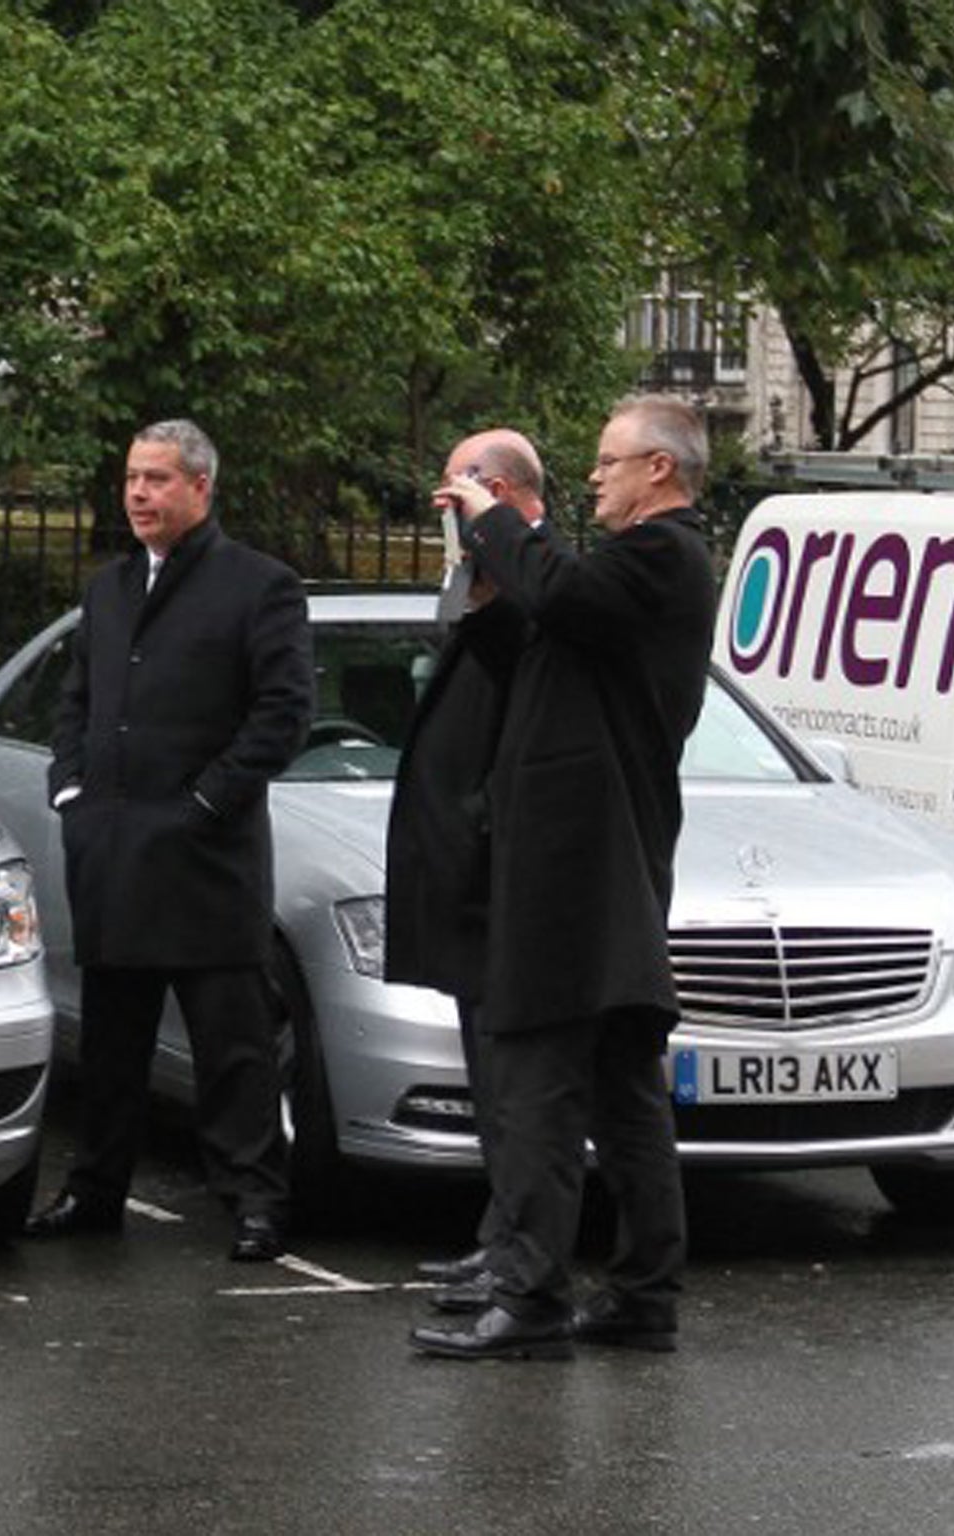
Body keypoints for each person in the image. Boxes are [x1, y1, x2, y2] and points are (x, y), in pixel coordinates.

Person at [408, 396, 717, 1360]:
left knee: (539, 1078)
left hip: (582, 865)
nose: (596, 478)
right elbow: (545, 653)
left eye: (609, 463)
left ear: (659, 471)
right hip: (596, 862)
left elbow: (571, 601)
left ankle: (533, 1295)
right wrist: (493, 584)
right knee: (624, 1086)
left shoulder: (664, 556)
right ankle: (641, 1291)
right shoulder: (625, 574)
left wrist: (502, 518)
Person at [22, 419, 315, 1262]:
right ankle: (95, 1191)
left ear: (200, 488)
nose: (139, 494)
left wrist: (204, 804)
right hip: (112, 853)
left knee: (233, 1048)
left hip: (204, 860)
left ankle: (255, 1200)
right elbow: (75, 703)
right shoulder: (108, 590)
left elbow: (281, 714)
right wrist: (70, 789)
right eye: (131, 478)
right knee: (111, 1047)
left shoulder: (260, 586)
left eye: (157, 479)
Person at [382, 430, 544, 1308]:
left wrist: (491, 551)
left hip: (500, 881)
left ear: (500, 492)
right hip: (465, 881)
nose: (447, 511)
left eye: (461, 493)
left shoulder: (540, 580)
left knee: (516, 1086)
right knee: (490, 1079)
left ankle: (520, 1249)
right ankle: (500, 1235)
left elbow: (520, 666)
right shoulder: (485, 581)